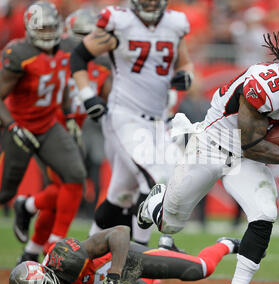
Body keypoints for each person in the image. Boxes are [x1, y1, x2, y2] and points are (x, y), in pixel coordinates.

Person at [137, 32, 279, 284]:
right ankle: (156, 203)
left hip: (243, 158)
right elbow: (251, 144)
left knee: (265, 213)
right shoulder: (265, 86)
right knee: (169, 225)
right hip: (214, 145)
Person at [70, 0, 194, 246]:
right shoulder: (120, 23)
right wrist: (87, 95)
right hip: (125, 116)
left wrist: (185, 76)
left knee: (121, 194)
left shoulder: (174, 24)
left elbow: (185, 63)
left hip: (157, 120)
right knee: (159, 178)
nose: (150, 4)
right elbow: (79, 56)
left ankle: (84, 255)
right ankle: (139, 258)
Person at [12, 7, 113, 264]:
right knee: (73, 185)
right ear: (66, 34)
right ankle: (53, 242)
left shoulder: (103, 64)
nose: (85, 41)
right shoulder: (58, 57)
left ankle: (32, 246)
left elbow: (105, 101)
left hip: (74, 128)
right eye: (80, 34)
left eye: (91, 35)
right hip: (53, 128)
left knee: (61, 192)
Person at [0, 1, 86, 248]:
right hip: (21, 127)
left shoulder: (68, 48)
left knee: (75, 174)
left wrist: (69, 116)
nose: (48, 33)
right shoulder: (19, 54)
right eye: (42, 29)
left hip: (49, 125)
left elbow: (65, 86)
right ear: (29, 28)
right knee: (5, 193)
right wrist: (13, 126)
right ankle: (20, 205)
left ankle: (53, 244)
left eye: (51, 28)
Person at [9, 225, 240, 284]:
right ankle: (166, 248)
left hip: (122, 261)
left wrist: (115, 275)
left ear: (48, 275)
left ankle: (227, 243)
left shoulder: (66, 259)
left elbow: (120, 232)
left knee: (199, 269)